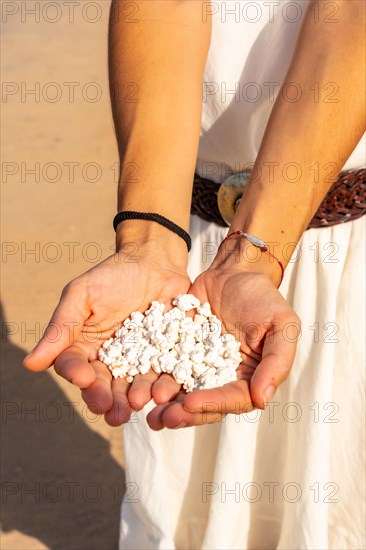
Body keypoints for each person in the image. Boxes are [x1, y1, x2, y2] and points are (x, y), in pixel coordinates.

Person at [24, 0, 365, 548]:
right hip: (190, 251)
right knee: (185, 495)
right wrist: (147, 241)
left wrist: (255, 254)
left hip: (342, 233)